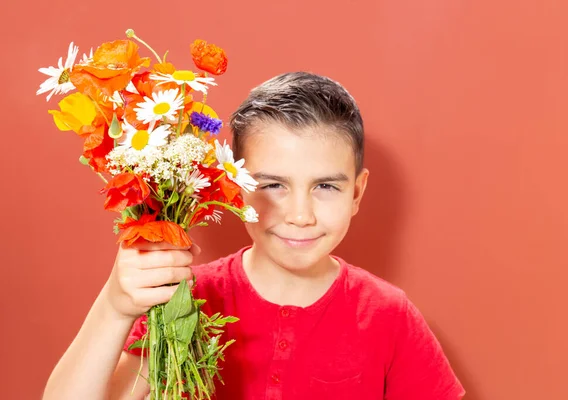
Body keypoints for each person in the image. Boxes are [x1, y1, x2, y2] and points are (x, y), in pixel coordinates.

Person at [42, 72, 465, 400]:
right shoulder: (185, 299)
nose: (300, 216)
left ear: (356, 193)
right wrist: (115, 309)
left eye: (326, 187)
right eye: (273, 186)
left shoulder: (389, 316)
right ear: (236, 186)